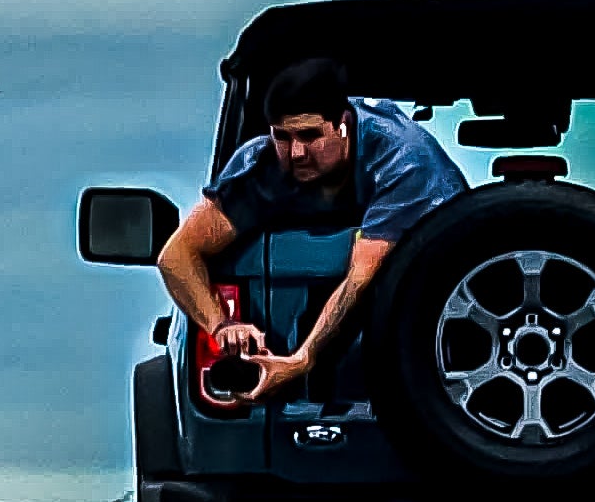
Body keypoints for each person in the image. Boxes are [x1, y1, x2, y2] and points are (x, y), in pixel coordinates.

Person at [156, 57, 468, 404]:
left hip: (432, 322)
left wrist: (303, 358)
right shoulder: (262, 165)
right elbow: (176, 255)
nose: (297, 153)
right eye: (283, 136)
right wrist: (222, 325)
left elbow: (360, 277)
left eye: (310, 135)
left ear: (343, 125)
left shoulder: (403, 161)